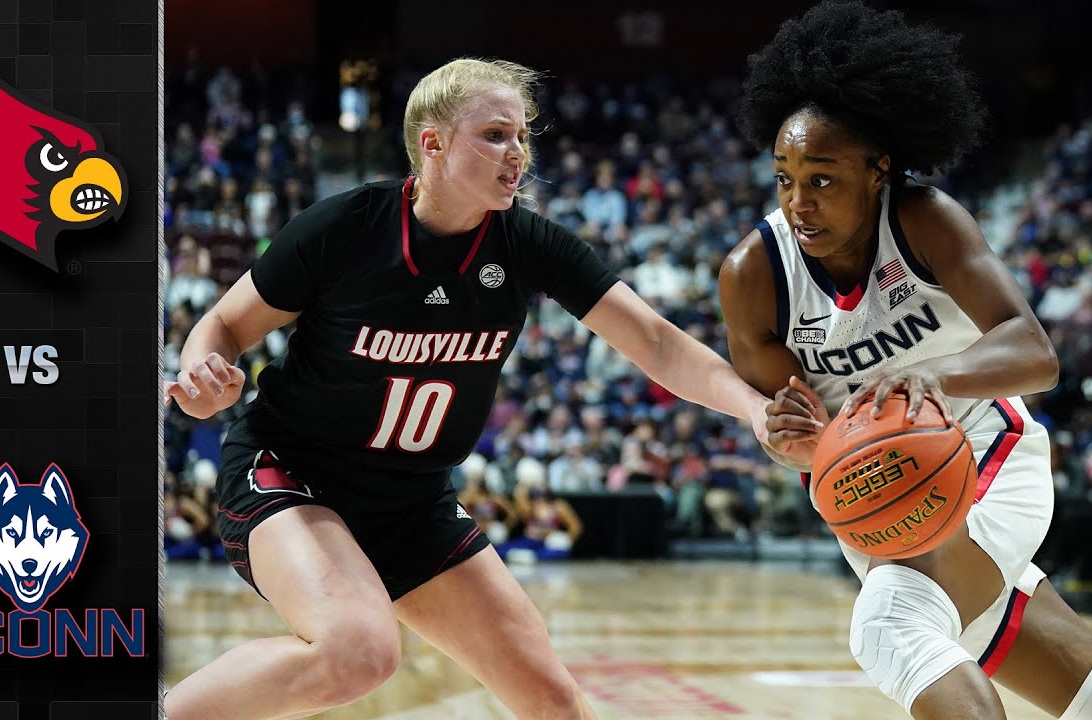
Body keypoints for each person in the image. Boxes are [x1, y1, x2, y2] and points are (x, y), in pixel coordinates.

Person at [162, 57, 775, 720]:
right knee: (359, 651)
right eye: (495, 135)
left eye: (522, 136)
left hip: (410, 501)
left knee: (552, 701)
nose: (518, 153)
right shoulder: (345, 228)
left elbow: (656, 343)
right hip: (289, 474)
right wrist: (202, 373)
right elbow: (222, 323)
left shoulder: (528, 244)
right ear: (433, 143)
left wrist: (754, 408)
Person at [718, 3, 1092, 719]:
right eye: (784, 178)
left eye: (822, 179)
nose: (798, 202)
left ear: (878, 170)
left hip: (980, 450)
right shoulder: (753, 274)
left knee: (892, 627)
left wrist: (934, 374)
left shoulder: (923, 220)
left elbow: (1035, 352)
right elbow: (802, 434)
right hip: (875, 492)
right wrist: (792, 439)